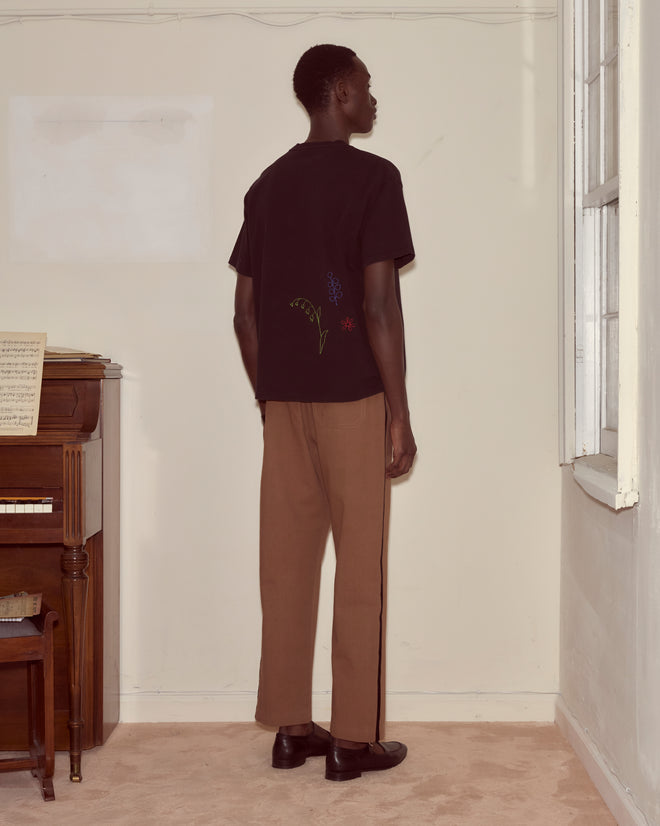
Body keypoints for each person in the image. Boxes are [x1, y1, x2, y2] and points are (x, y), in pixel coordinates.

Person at [230, 43, 416, 782]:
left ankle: (291, 729)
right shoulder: (375, 179)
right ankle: (352, 741)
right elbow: (376, 304)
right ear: (339, 91)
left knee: (287, 566)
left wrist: (267, 393)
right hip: (353, 401)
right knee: (359, 566)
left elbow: (243, 316)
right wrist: (398, 411)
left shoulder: (266, 186)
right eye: (367, 87)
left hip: (287, 406)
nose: (374, 99)